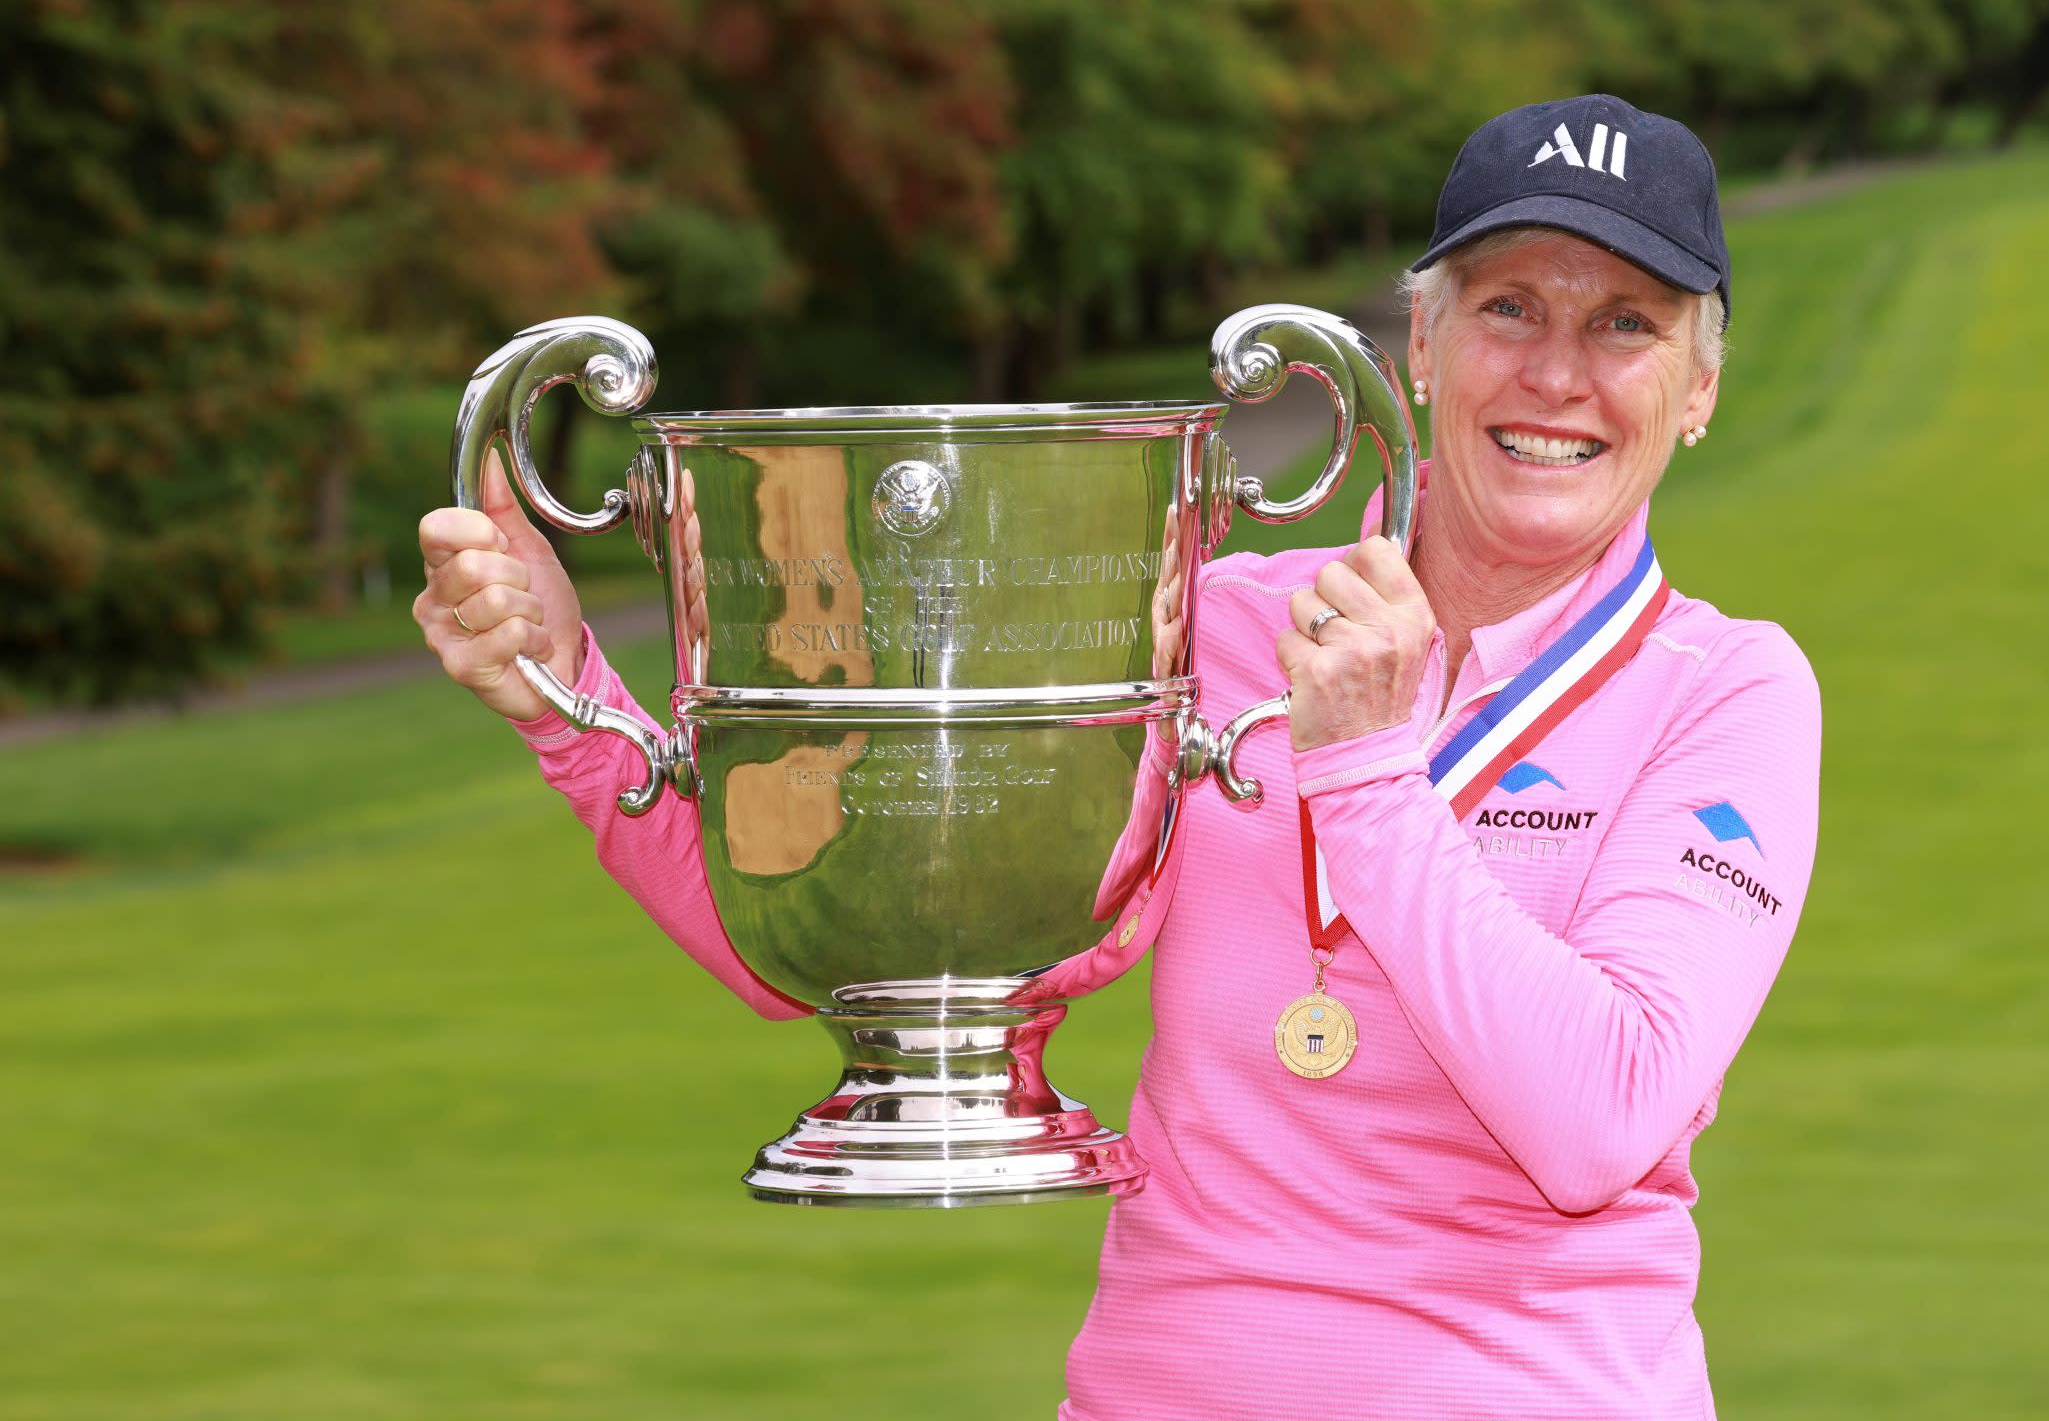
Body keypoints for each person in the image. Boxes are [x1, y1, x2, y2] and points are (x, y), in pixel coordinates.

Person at [415, 94, 1820, 1420]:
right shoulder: (1223, 618)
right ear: (1421, 352)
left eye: (1626, 324)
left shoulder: (1730, 693)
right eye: (1509, 307)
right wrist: (566, 701)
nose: (1559, 371)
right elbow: (880, 936)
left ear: (1695, 391)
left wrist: (1375, 780)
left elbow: (1602, 1117)